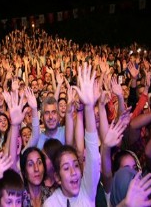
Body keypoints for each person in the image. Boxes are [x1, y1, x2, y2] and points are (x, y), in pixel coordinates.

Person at [44, 64, 100, 207]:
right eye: (66, 168)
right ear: (57, 177)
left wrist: (88, 107)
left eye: (76, 165)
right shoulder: (50, 204)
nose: (74, 172)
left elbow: (93, 155)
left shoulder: (87, 191)